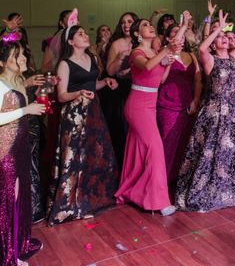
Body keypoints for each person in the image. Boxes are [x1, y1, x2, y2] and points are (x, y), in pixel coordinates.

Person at [176, 5, 235, 212]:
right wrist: (218, 28)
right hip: (213, 112)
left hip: (234, 112)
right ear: (215, 43)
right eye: (220, 38)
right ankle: (211, 189)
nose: (224, 38)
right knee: (210, 151)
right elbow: (201, 48)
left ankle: (233, 186)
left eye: (226, 36)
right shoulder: (210, 60)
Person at [115, 14, 187, 216]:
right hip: (137, 106)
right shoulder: (136, 53)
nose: (151, 27)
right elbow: (147, 66)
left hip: (150, 105)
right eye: (145, 25)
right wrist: (167, 51)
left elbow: (161, 79)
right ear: (137, 34)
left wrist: (170, 60)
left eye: (150, 24)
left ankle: (132, 190)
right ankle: (160, 201)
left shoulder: (157, 52)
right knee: (155, 149)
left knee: (141, 151)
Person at [47, 26, 119, 225]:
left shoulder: (92, 59)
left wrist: (105, 81)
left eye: (85, 32)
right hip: (74, 116)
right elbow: (61, 95)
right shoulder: (64, 64)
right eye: (80, 34)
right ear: (70, 42)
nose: (85, 35)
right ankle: (70, 204)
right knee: (75, 159)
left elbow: (91, 85)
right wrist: (78, 94)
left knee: (93, 156)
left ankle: (90, 200)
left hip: (93, 112)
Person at [0, 39, 46, 266]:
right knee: (8, 200)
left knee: (18, 199)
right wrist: (26, 109)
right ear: (2, 63)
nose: (23, 59)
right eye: (16, 57)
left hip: (20, 146)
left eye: (22, 55)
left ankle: (16, 244)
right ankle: (8, 253)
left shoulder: (17, 80)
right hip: (5, 150)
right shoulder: (0, 84)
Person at [156, 23, 201, 183]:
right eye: (175, 32)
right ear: (168, 38)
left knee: (184, 142)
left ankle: (178, 178)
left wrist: (196, 100)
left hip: (187, 103)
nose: (180, 35)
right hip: (167, 103)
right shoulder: (163, 54)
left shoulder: (191, 55)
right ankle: (162, 180)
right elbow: (160, 79)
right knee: (167, 141)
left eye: (182, 32)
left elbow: (197, 79)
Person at [104, 12, 139, 166]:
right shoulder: (116, 44)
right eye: (123, 22)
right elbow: (110, 71)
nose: (126, 25)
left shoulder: (145, 42)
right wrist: (121, 59)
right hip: (121, 90)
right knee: (123, 131)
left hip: (140, 88)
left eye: (130, 21)